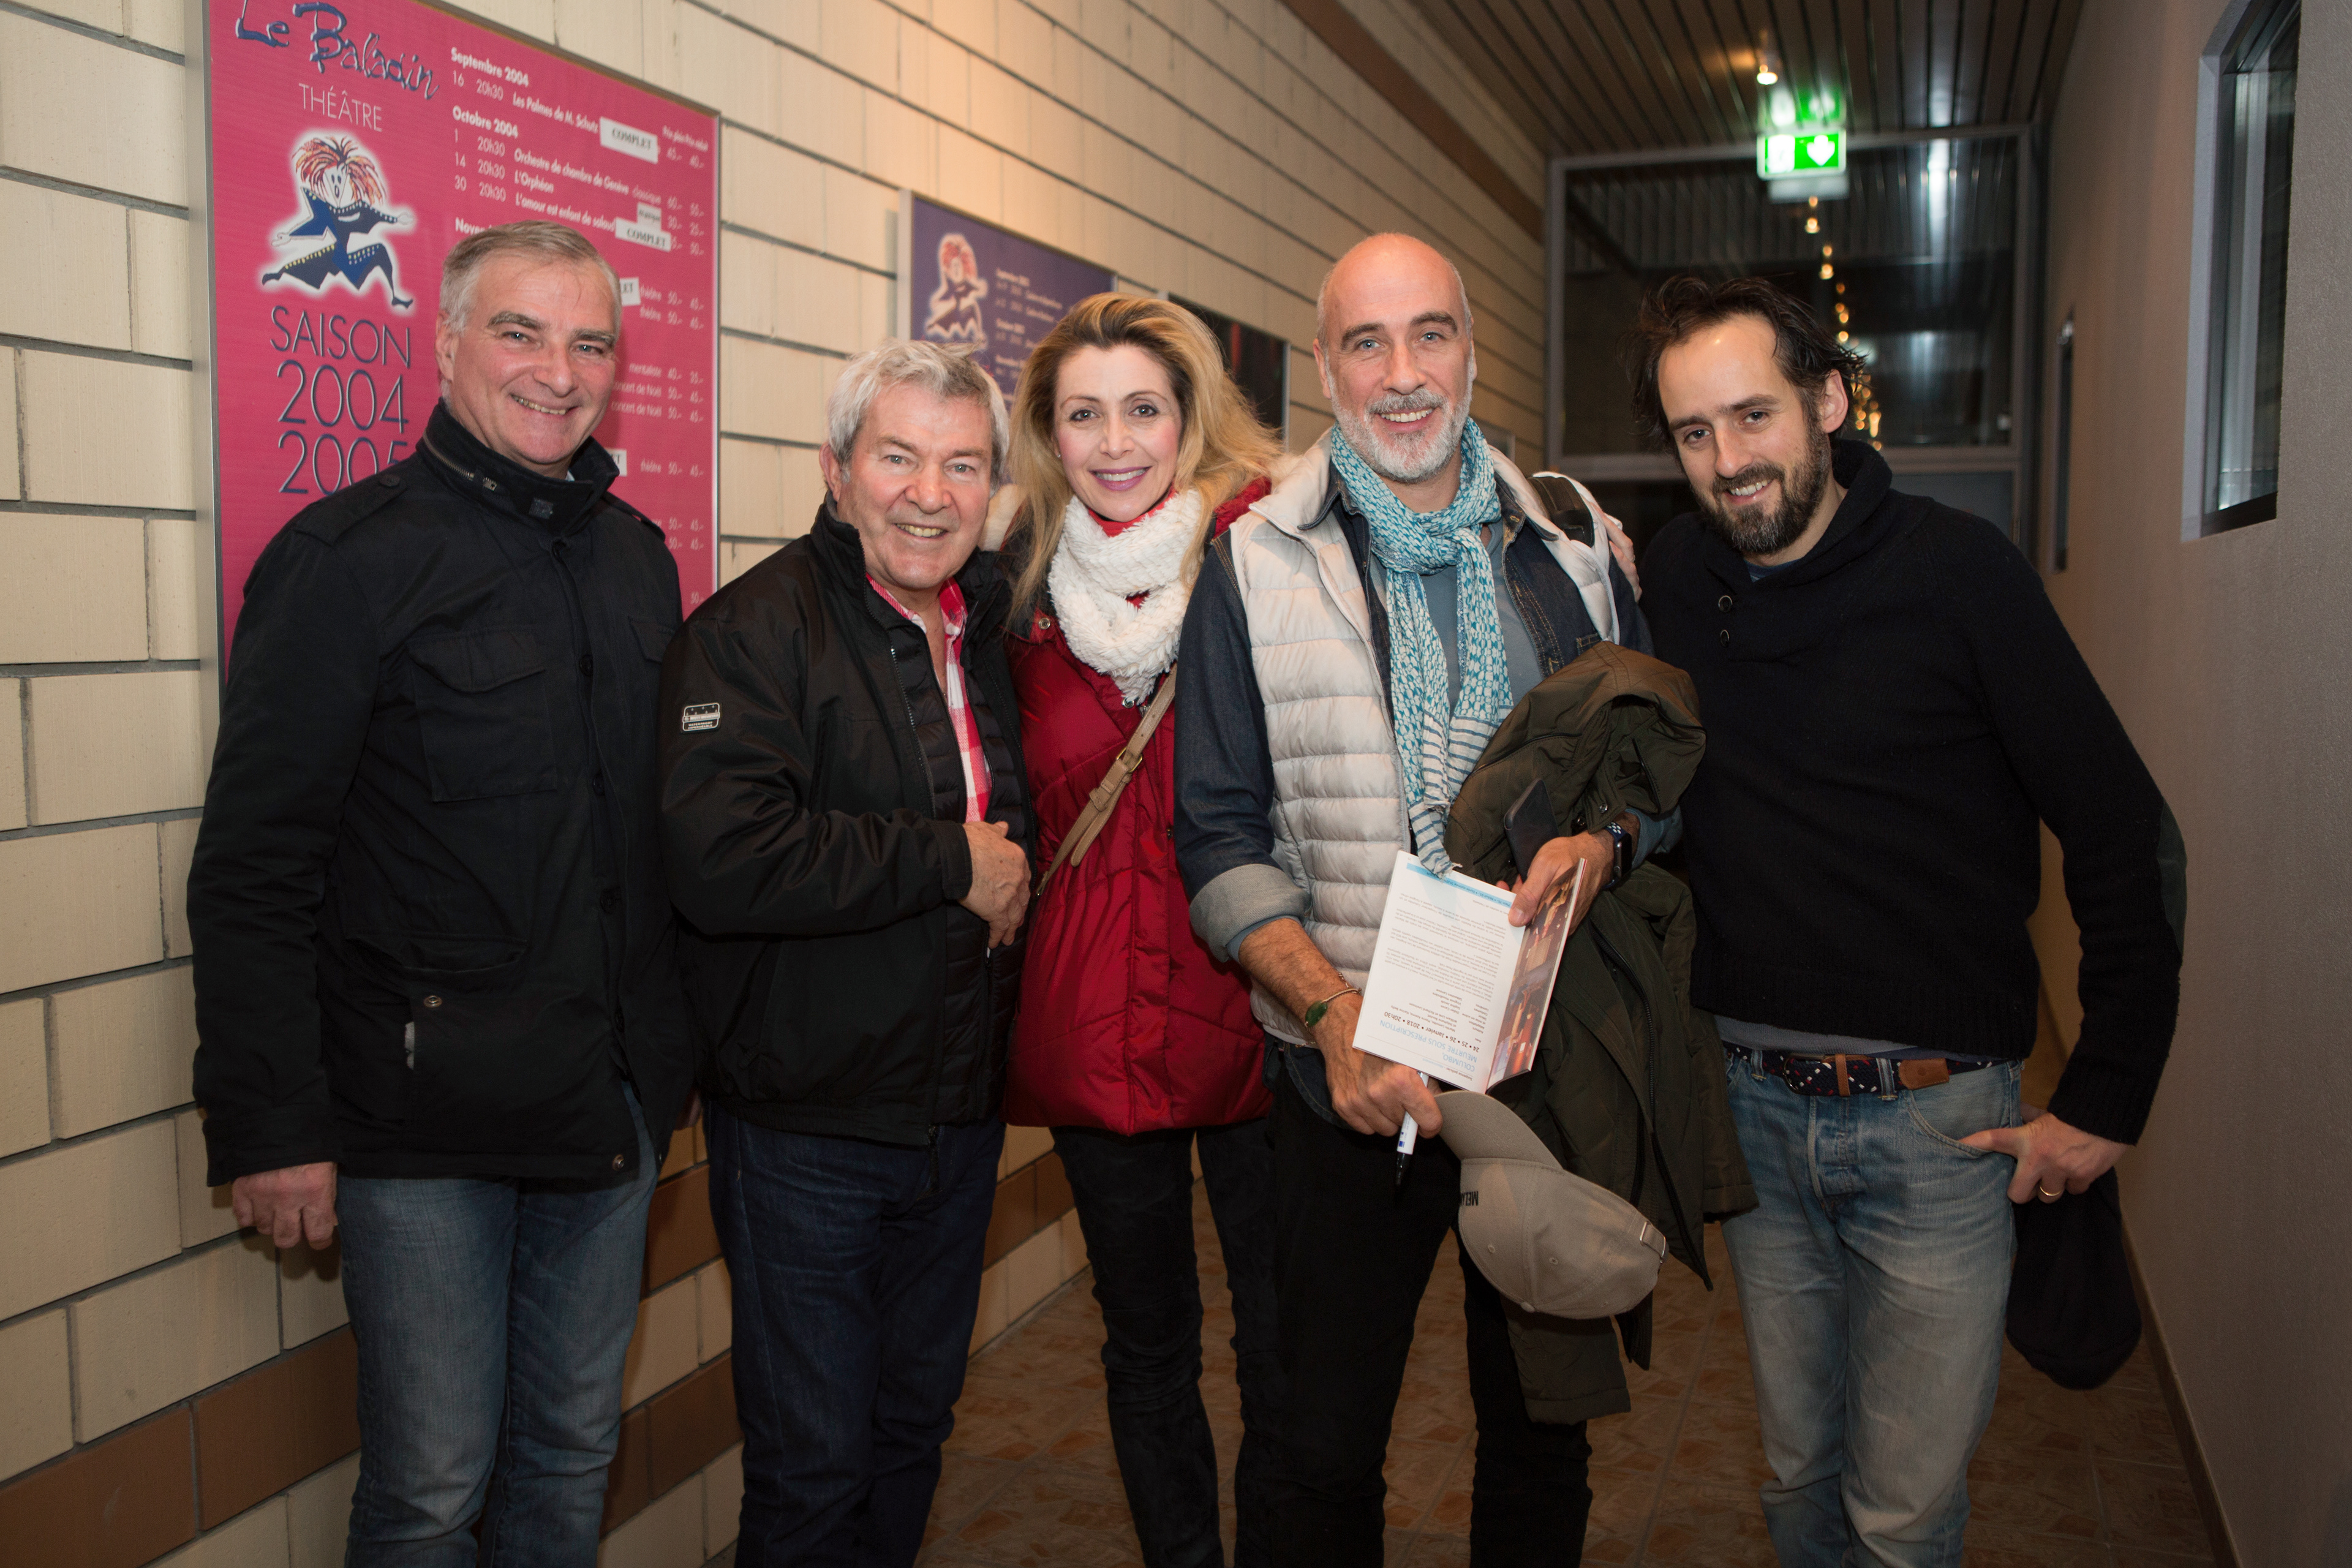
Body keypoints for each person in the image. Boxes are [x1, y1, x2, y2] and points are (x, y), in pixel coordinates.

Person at [1628, 275, 2185, 1564]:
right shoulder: (1675, 574)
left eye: (1752, 415)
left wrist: (2106, 1092)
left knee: (1904, 1515)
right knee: (1793, 1476)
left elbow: (2123, 831)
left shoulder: (1961, 574)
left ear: (1829, 401)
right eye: (1693, 432)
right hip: (1756, 1117)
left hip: (1943, 1129)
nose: (1727, 460)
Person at [187, 219, 696, 1562]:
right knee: (429, 1487)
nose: (557, 370)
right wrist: (270, 1120)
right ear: (448, 341)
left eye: (590, 342)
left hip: (609, 1108)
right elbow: (255, 862)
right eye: (520, 332)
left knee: (572, 1448)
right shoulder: (345, 559)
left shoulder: (637, 560)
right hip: (422, 1124)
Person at [1173, 232, 1657, 1565]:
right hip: (1349, 1074)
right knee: (1317, 1444)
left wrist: (1610, 838)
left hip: (1536, 1061)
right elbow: (1215, 838)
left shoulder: (1572, 546)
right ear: (1323, 364)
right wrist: (1334, 1017)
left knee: (1540, 1436)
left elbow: (1654, 769)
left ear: (1473, 352)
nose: (1402, 374)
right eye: (1368, 342)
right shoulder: (1254, 559)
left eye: (1429, 334)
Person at [657, 340, 1035, 1567]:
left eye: (963, 463)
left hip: (956, 1119)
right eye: (899, 457)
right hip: (808, 1135)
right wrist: (946, 861)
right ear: (836, 470)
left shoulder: (982, 633)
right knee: (814, 1473)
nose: (931, 491)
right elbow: (723, 857)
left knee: (912, 1431)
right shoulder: (752, 631)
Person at [997, 294, 1284, 1567]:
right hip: (1094, 1023)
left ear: (1190, 416)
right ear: (1048, 434)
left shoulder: (1269, 553)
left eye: (1143, 409)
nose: (1116, 442)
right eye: (1083, 414)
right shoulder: (1013, 591)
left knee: (1285, 1338)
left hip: (1262, 998)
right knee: (1147, 1343)